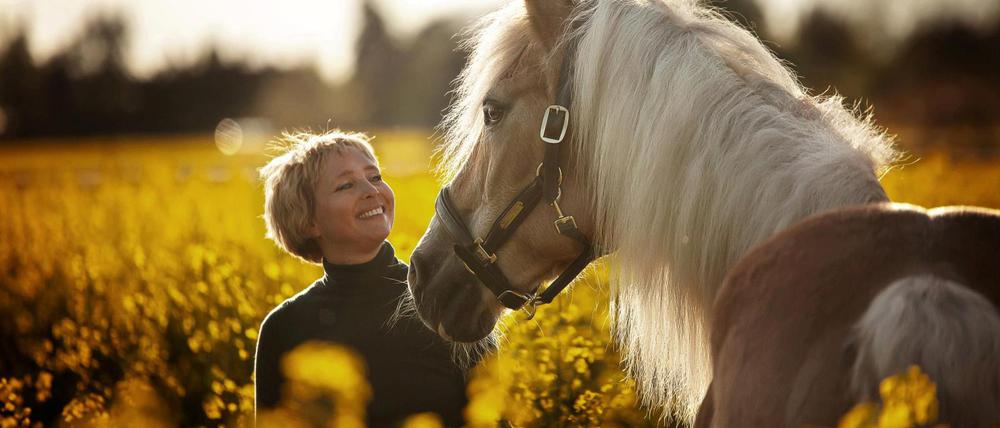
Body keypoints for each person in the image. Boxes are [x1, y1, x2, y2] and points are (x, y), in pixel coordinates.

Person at [254, 130, 468, 427]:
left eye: (375, 177)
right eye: (346, 185)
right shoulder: (283, 327)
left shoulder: (444, 298)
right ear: (309, 221)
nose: (371, 190)